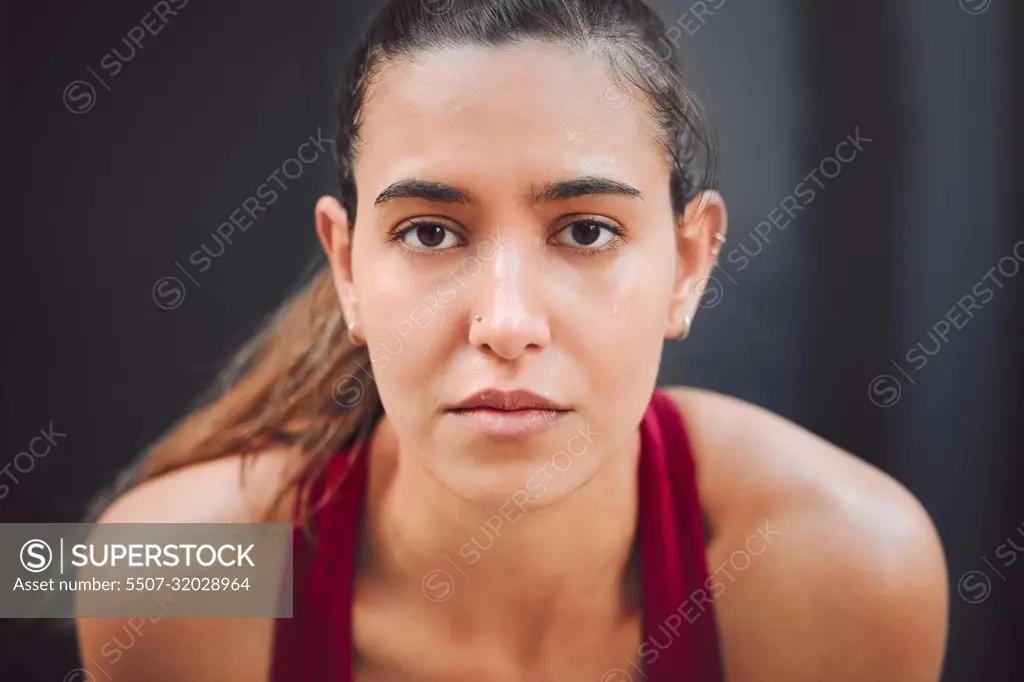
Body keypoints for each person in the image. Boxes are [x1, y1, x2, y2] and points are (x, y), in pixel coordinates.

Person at [76, 0, 949, 680]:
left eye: (585, 231)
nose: (504, 324)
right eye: (428, 232)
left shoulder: (853, 566)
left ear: (687, 264)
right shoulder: (155, 575)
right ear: (347, 268)